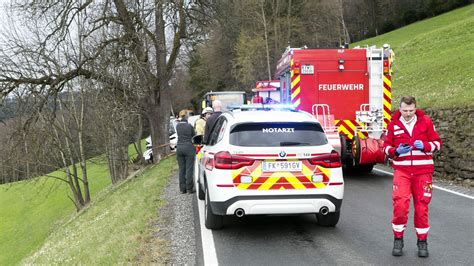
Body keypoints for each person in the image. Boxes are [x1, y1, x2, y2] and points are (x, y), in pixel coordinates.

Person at [383, 96, 442, 257]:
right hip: (402, 172)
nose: (408, 114)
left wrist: (425, 146)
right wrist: (396, 151)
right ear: (399, 109)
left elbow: (437, 143)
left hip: (423, 172)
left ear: (415, 108)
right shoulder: (393, 125)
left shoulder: (426, 122)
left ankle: (422, 241)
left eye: (411, 110)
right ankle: (398, 239)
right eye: (405, 110)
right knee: (400, 205)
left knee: (422, 207)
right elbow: (386, 147)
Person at [176, 109, 196, 194]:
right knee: (189, 169)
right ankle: (189, 188)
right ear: (186, 116)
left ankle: (182, 189)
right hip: (188, 148)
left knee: (181, 169)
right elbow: (194, 136)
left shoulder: (177, 126)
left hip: (179, 148)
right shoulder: (189, 126)